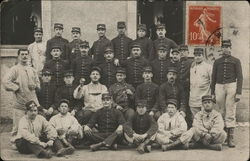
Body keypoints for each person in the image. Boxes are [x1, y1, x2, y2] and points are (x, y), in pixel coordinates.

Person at [211, 39, 243, 148]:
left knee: (230, 111)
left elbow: (240, 77)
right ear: (222, 48)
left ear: (230, 48)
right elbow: (213, 77)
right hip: (219, 86)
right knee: (221, 111)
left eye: (227, 47)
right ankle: (222, 136)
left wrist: (238, 92)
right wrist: (212, 93)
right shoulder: (217, 61)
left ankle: (230, 138)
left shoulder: (236, 61)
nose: (225, 49)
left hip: (231, 86)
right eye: (224, 47)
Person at [3, 49, 40, 141]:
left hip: (31, 100)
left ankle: (29, 140)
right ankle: (15, 141)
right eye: (22, 54)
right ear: (18, 56)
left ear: (28, 56)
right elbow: (5, 81)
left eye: (26, 54)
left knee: (31, 122)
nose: (24, 56)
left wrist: (35, 85)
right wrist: (16, 88)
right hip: (19, 101)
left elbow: (38, 82)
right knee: (18, 123)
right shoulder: (15, 69)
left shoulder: (32, 69)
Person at [189, 48, 212, 118]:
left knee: (205, 115)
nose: (197, 57)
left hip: (204, 95)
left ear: (203, 56)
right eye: (196, 55)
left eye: (199, 55)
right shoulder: (192, 67)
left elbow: (212, 81)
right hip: (193, 96)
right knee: (195, 117)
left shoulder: (208, 67)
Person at [178, 44, 193, 128]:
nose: (182, 53)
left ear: (188, 52)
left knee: (188, 108)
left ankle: (189, 126)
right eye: (181, 51)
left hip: (188, 89)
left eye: (184, 51)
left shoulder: (192, 62)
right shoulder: (177, 63)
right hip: (179, 89)